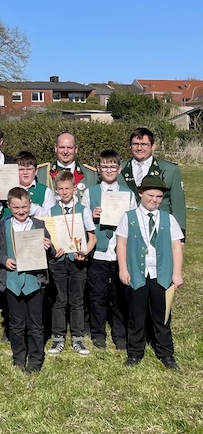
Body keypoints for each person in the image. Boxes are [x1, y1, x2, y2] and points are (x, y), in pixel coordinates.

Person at [116, 176, 183, 370]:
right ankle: (135, 352)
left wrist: (176, 273)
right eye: (151, 195)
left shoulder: (168, 219)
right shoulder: (128, 217)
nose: (154, 200)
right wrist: (123, 269)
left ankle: (166, 353)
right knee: (136, 315)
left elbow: (176, 247)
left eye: (159, 196)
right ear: (140, 194)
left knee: (162, 316)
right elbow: (121, 244)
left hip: (161, 275)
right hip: (137, 273)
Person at [0, 186, 54, 373]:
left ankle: (35, 360)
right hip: (12, 282)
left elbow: (52, 252)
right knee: (16, 324)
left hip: (34, 282)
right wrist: (4, 259)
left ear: (30, 205)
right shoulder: (3, 225)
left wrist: (48, 247)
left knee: (35, 324)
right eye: (16, 208)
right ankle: (18, 358)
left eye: (24, 207)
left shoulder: (39, 225)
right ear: (9, 206)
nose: (21, 211)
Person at [82, 150, 134, 350]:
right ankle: (98, 333)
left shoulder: (127, 194)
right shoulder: (90, 193)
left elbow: (133, 221)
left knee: (119, 294)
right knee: (97, 294)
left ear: (119, 169)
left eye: (113, 166)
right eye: (105, 167)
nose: (109, 170)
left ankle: (119, 334)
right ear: (98, 170)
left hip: (120, 252)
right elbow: (82, 222)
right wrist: (93, 216)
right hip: (100, 252)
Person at [46, 170, 96, 357]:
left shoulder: (83, 210)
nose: (64, 192)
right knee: (59, 300)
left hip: (77, 262)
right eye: (60, 189)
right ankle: (58, 336)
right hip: (58, 262)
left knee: (77, 300)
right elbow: (47, 237)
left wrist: (85, 251)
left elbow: (92, 237)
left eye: (68, 188)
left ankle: (77, 336)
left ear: (75, 188)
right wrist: (52, 248)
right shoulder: (50, 211)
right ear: (56, 190)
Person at [120, 127, 186, 234]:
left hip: (159, 228)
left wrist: (180, 234)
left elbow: (178, 205)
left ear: (153, 146)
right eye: (135, 144)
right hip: (127, 228)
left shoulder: (169, 170)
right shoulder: (119, 169)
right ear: (130, 146)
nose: (139, 148)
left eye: (144, 144)